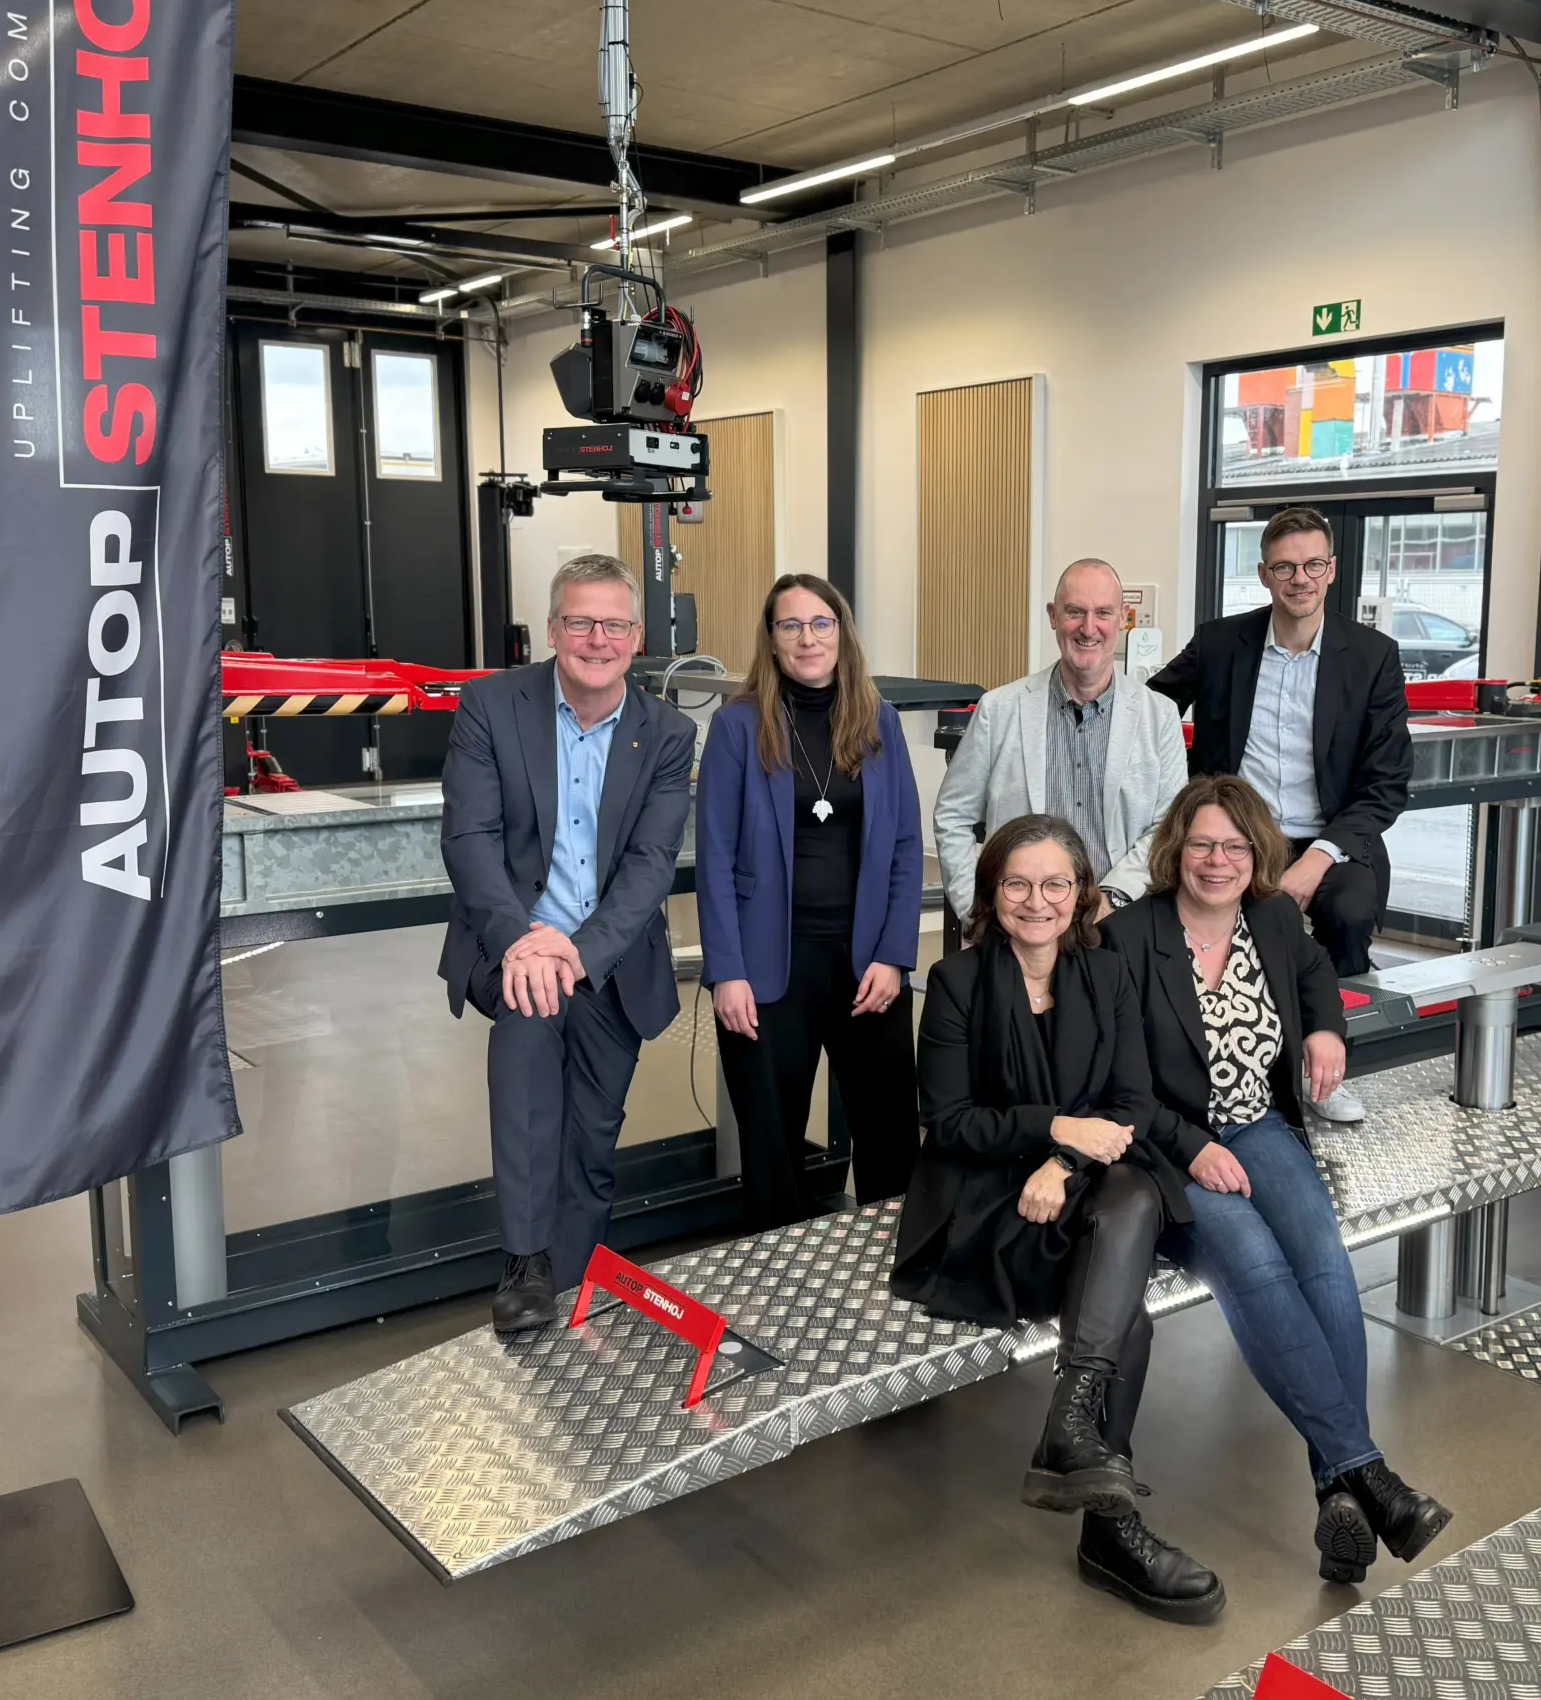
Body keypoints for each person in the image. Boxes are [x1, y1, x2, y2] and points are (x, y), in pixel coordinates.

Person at [1101, 777, 1452, 1585]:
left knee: (1324, 1261)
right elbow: (1116, 1082)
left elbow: (1317, 970)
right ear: (1175, 849)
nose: (1217, 860)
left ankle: (1342, 1489)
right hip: (1167, 1148)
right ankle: (1368, 1476)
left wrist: (1326, 1029)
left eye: (1234, 845)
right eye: (1201, 843)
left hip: (1257, 1125)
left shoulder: (1271, 919)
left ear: (1257, 852)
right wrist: (1190, 1147)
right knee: (1255, 1264)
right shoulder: (1128, 937)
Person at [892, 814, 1223, 1625]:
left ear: (1080, 895)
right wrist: (1057, 1128)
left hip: (1080, 1185)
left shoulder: (1107, 974)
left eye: (1054, 884)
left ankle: (1074, 1432)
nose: (1035, 901)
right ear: (990, 893)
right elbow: (950, 1122)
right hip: (988, 1204)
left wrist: (1065, 1159)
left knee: (1134, 1194)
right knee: (1126, 1306)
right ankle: (1105, 1519)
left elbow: (1132, 1100)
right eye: (1017, 883)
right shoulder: (957, 982)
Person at [438, 553, 696, 1333]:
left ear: (637, 636)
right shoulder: (491, 706)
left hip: (607, 957)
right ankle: (524, 1266)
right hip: (514, 946)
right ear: (552, 630)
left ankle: (572, 1280)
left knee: (592, 1134)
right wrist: (520, 944)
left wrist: (578, 953)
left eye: (614, 625)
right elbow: (470, 836)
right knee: (527, 1052)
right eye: (580, 622)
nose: (597, 639)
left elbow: (651, 865)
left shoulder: (667, 733)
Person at [1149, 508, 1410, 1123]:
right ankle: (1210, 1062)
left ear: (1332, 570)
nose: (1301, 579)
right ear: (1265, 574)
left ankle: (1328, 1066)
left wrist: (1316, 860)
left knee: (1347, 912)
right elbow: (1150, 708)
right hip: (1235, 833)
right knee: (1188, 914)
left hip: (1329, 839)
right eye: (1286, 567)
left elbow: (1386, 784)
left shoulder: (1371, 656)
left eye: (1313, 565)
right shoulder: (1220, 644)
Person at [697, 573, 922, 1228]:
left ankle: (893, 1259)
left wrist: (894, 956)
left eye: (821, 623)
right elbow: (714, 859)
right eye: (790, 625)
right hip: (768, 969)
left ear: (841, 633)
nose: (807, 638)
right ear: (771, 640)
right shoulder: (737, 727)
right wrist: (727, 972)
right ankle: (778, 1273)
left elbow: (906, 845)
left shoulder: (879, 722)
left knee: (889, 1135)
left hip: (867, 966)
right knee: (772, 1146)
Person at [933, 558, 1187, 921]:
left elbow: (1168, 827)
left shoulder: (1159, 716)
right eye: (1075, 612)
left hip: (1120, 923)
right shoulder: (999, 710)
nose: (1089, 627)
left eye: (1103, 612)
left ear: (1122, 618)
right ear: (1053, 616)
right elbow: (953, 816)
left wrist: (1110, 901)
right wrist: (974, 910)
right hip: (1022, 925)